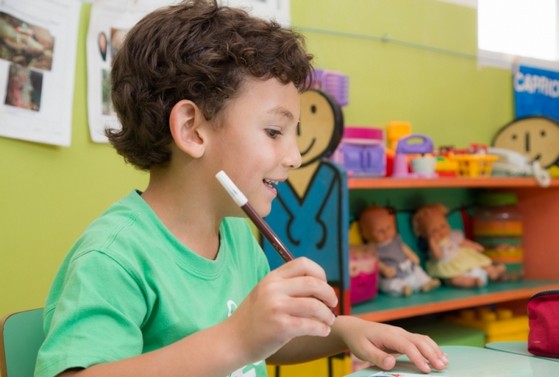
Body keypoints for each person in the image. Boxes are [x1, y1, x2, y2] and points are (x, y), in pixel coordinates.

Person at [34, 1, 448, 376]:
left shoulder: (235, 235)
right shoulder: (113, 257)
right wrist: (236, 338)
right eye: (274, 130)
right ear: (192, 130)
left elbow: (264, 342)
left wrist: (343, 330)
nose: (295, 157)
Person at [412, 203, 506, 288]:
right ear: (424, 235)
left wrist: (475, 246)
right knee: (454, 279)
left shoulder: (452, 237)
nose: (440, 232)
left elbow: (463, 243)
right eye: (434, 231)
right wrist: (432, 242)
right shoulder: (434, 246)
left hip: (463, 259)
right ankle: (471, 282)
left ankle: (493, 271)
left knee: (480, 263)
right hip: (448, 265)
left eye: (443, 226)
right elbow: (438, 257)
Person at [358, 205, 440, 297]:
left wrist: (412, 256)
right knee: (386, 284)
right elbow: (375, 261)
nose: (386, 232)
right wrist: (384, 269)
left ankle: (426, 282)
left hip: (405, 267)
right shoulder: (371, 248)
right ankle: (403, 289)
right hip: (390, 273)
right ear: (365, 233)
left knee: (417, 271)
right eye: (380, 231)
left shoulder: (396, 240)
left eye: (389, 227)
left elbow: (403, 248)